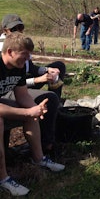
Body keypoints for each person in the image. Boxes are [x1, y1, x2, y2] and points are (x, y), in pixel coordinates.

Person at [0, 33, 64, 196]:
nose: (27, 59)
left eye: (29, 55)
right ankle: (3, 178)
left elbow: (22, 96)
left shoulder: (18, 67)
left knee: (32, 114)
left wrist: (36, 109)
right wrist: (27, 111)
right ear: (9, 52)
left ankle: (39, 158)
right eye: (24, 55)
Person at [0, 14, 63, 153]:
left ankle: (42, 152)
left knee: (46, 100)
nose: (17, 30)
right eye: (13, 28)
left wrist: (47, 70)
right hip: (9, 92)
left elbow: (28, 74)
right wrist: (37, 81)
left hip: (14, 89)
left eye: (20, 27)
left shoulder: (21, 51)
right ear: (5, 30)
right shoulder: (7, 48)